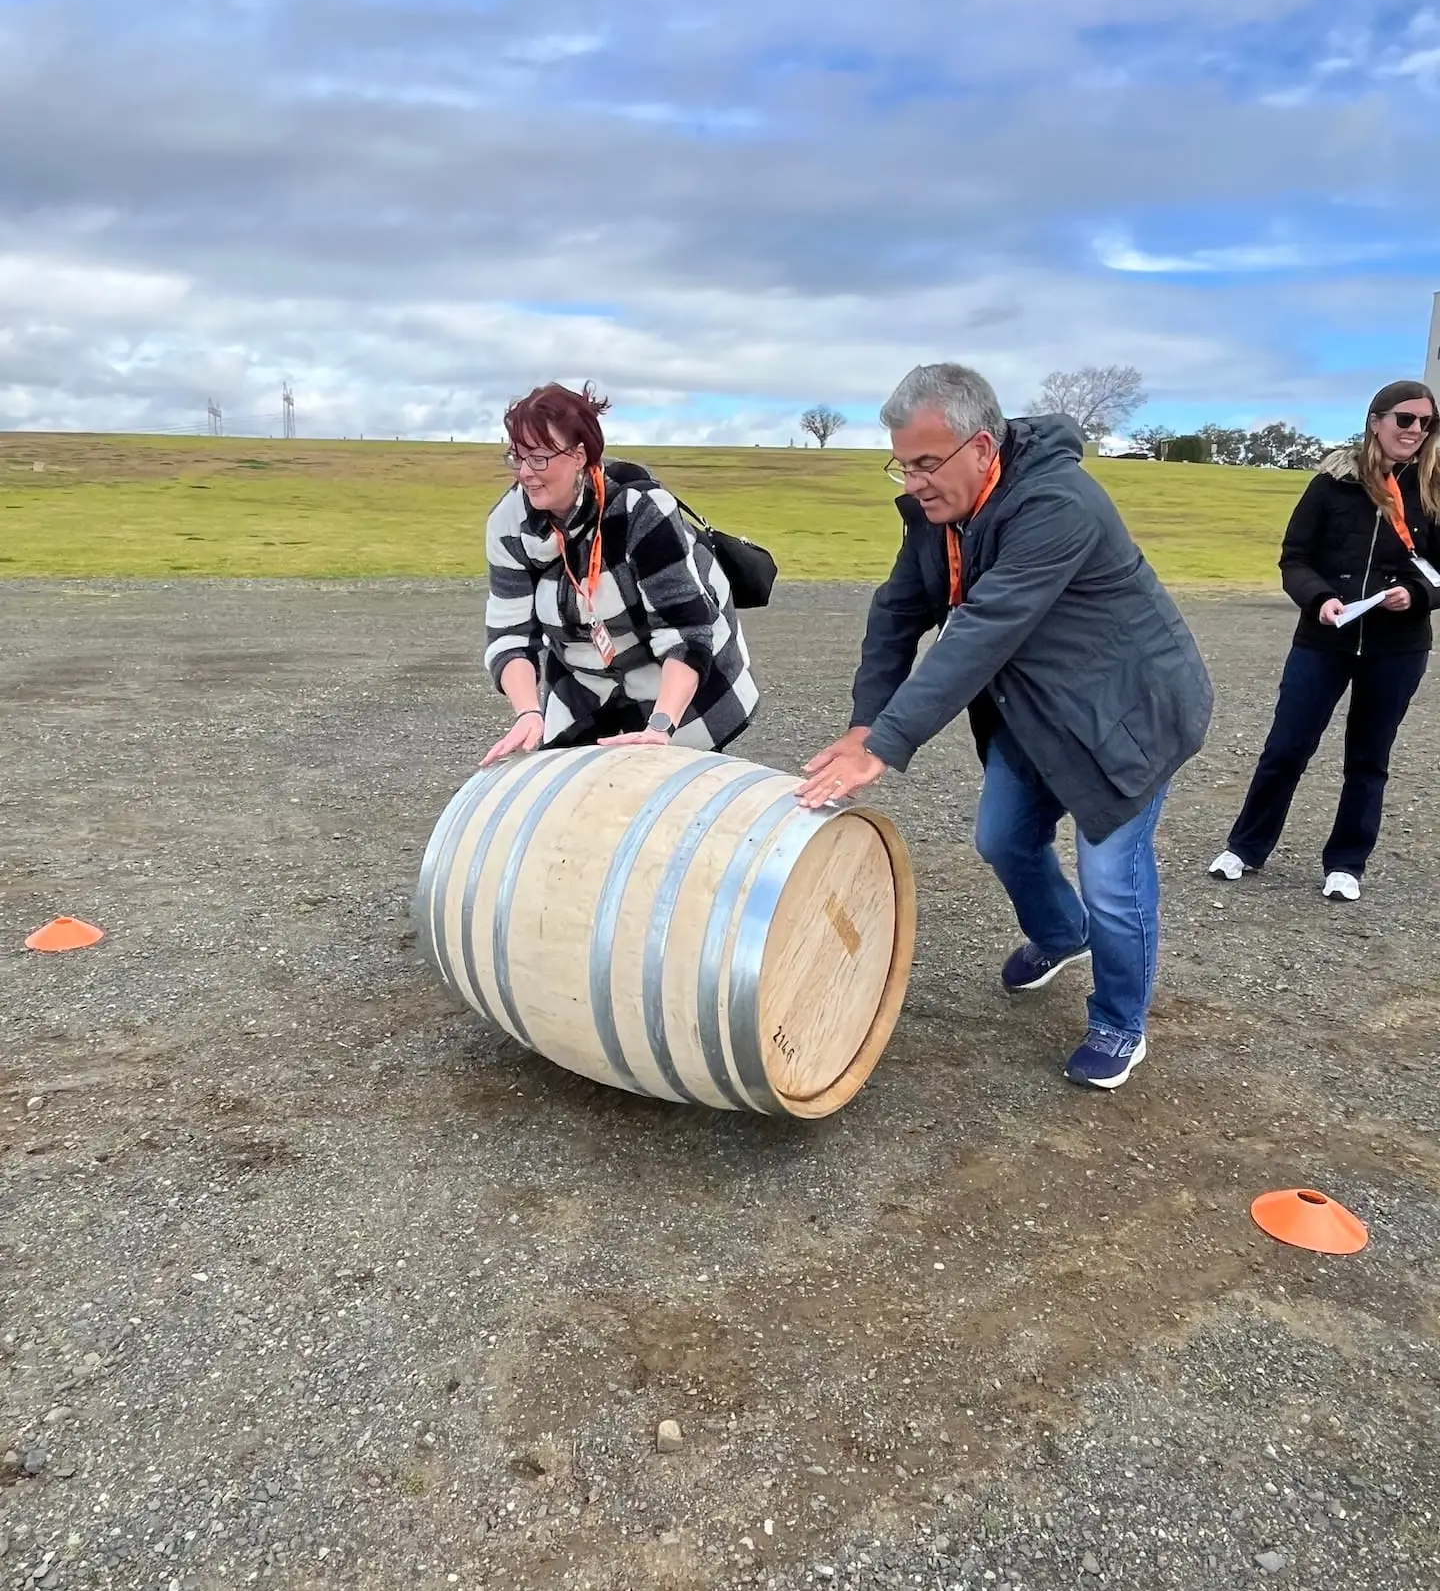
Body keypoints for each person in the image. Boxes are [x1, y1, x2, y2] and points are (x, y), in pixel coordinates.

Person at [797, 363, 1213, 1091]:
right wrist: (866, 724)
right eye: (903, 463)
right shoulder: (939, 518)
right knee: (1001, 837)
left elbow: (984, 629)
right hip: (1038, 710)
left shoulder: (1057, 504)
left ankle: (1121, 1021)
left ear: (983, 447)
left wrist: (889, 745)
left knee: (1113, 877)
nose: (914, 481)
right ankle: (1062, 933)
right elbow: (898, 613)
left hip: (1128, 712)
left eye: (928, 463)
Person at [1208, 380, 1440, 900]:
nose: (1417, 431)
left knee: (1368, 758)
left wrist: (1417, 594)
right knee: (1286, 748)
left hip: (1397, 648)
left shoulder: (1435, 489)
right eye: (1406, 419)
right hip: (1324, 639)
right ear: (1376, 420)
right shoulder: (1332, 483)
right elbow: (1295, 556)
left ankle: (1346, 863)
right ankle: (1245, 847)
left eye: (1427, 423)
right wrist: (1318, 599)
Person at [482, 381, 758, 763]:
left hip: (679, 686)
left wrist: (660, 727)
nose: (526, 472)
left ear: (579, 456)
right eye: (518, 457)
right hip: (589, 685)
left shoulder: (640, 510)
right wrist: (528, 712)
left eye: (539, 458)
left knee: (665, 795)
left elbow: (685, 633)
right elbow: (510, 634)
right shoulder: (508, 523)